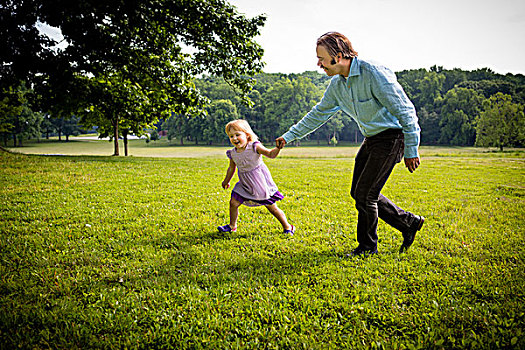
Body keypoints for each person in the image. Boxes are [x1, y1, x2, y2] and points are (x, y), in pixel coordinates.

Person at [275, 32, 424, 255]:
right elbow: (318, 114)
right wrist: (289, 136)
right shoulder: (337, 85)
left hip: (393, 137)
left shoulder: (373, 73)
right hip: (372, 139)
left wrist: (411, 149)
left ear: (339, 55)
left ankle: (367, 247)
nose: (319, 64)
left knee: (366, 194)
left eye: (321, 58)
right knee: (359, 192)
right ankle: (408, 223)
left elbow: (406, 111)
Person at [219, 119, 295, 235]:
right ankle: (232, 226)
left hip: (259, 183)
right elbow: (231, 168)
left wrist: (278, 148)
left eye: (237, 135)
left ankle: (287, 226)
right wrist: (226, 181)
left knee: (271, 207)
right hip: (244, 183)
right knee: (233, 203)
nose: (234, 138)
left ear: (247, 134)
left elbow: (270, 154)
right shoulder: (232, 153)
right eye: (231, 136)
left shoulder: (254, 146)